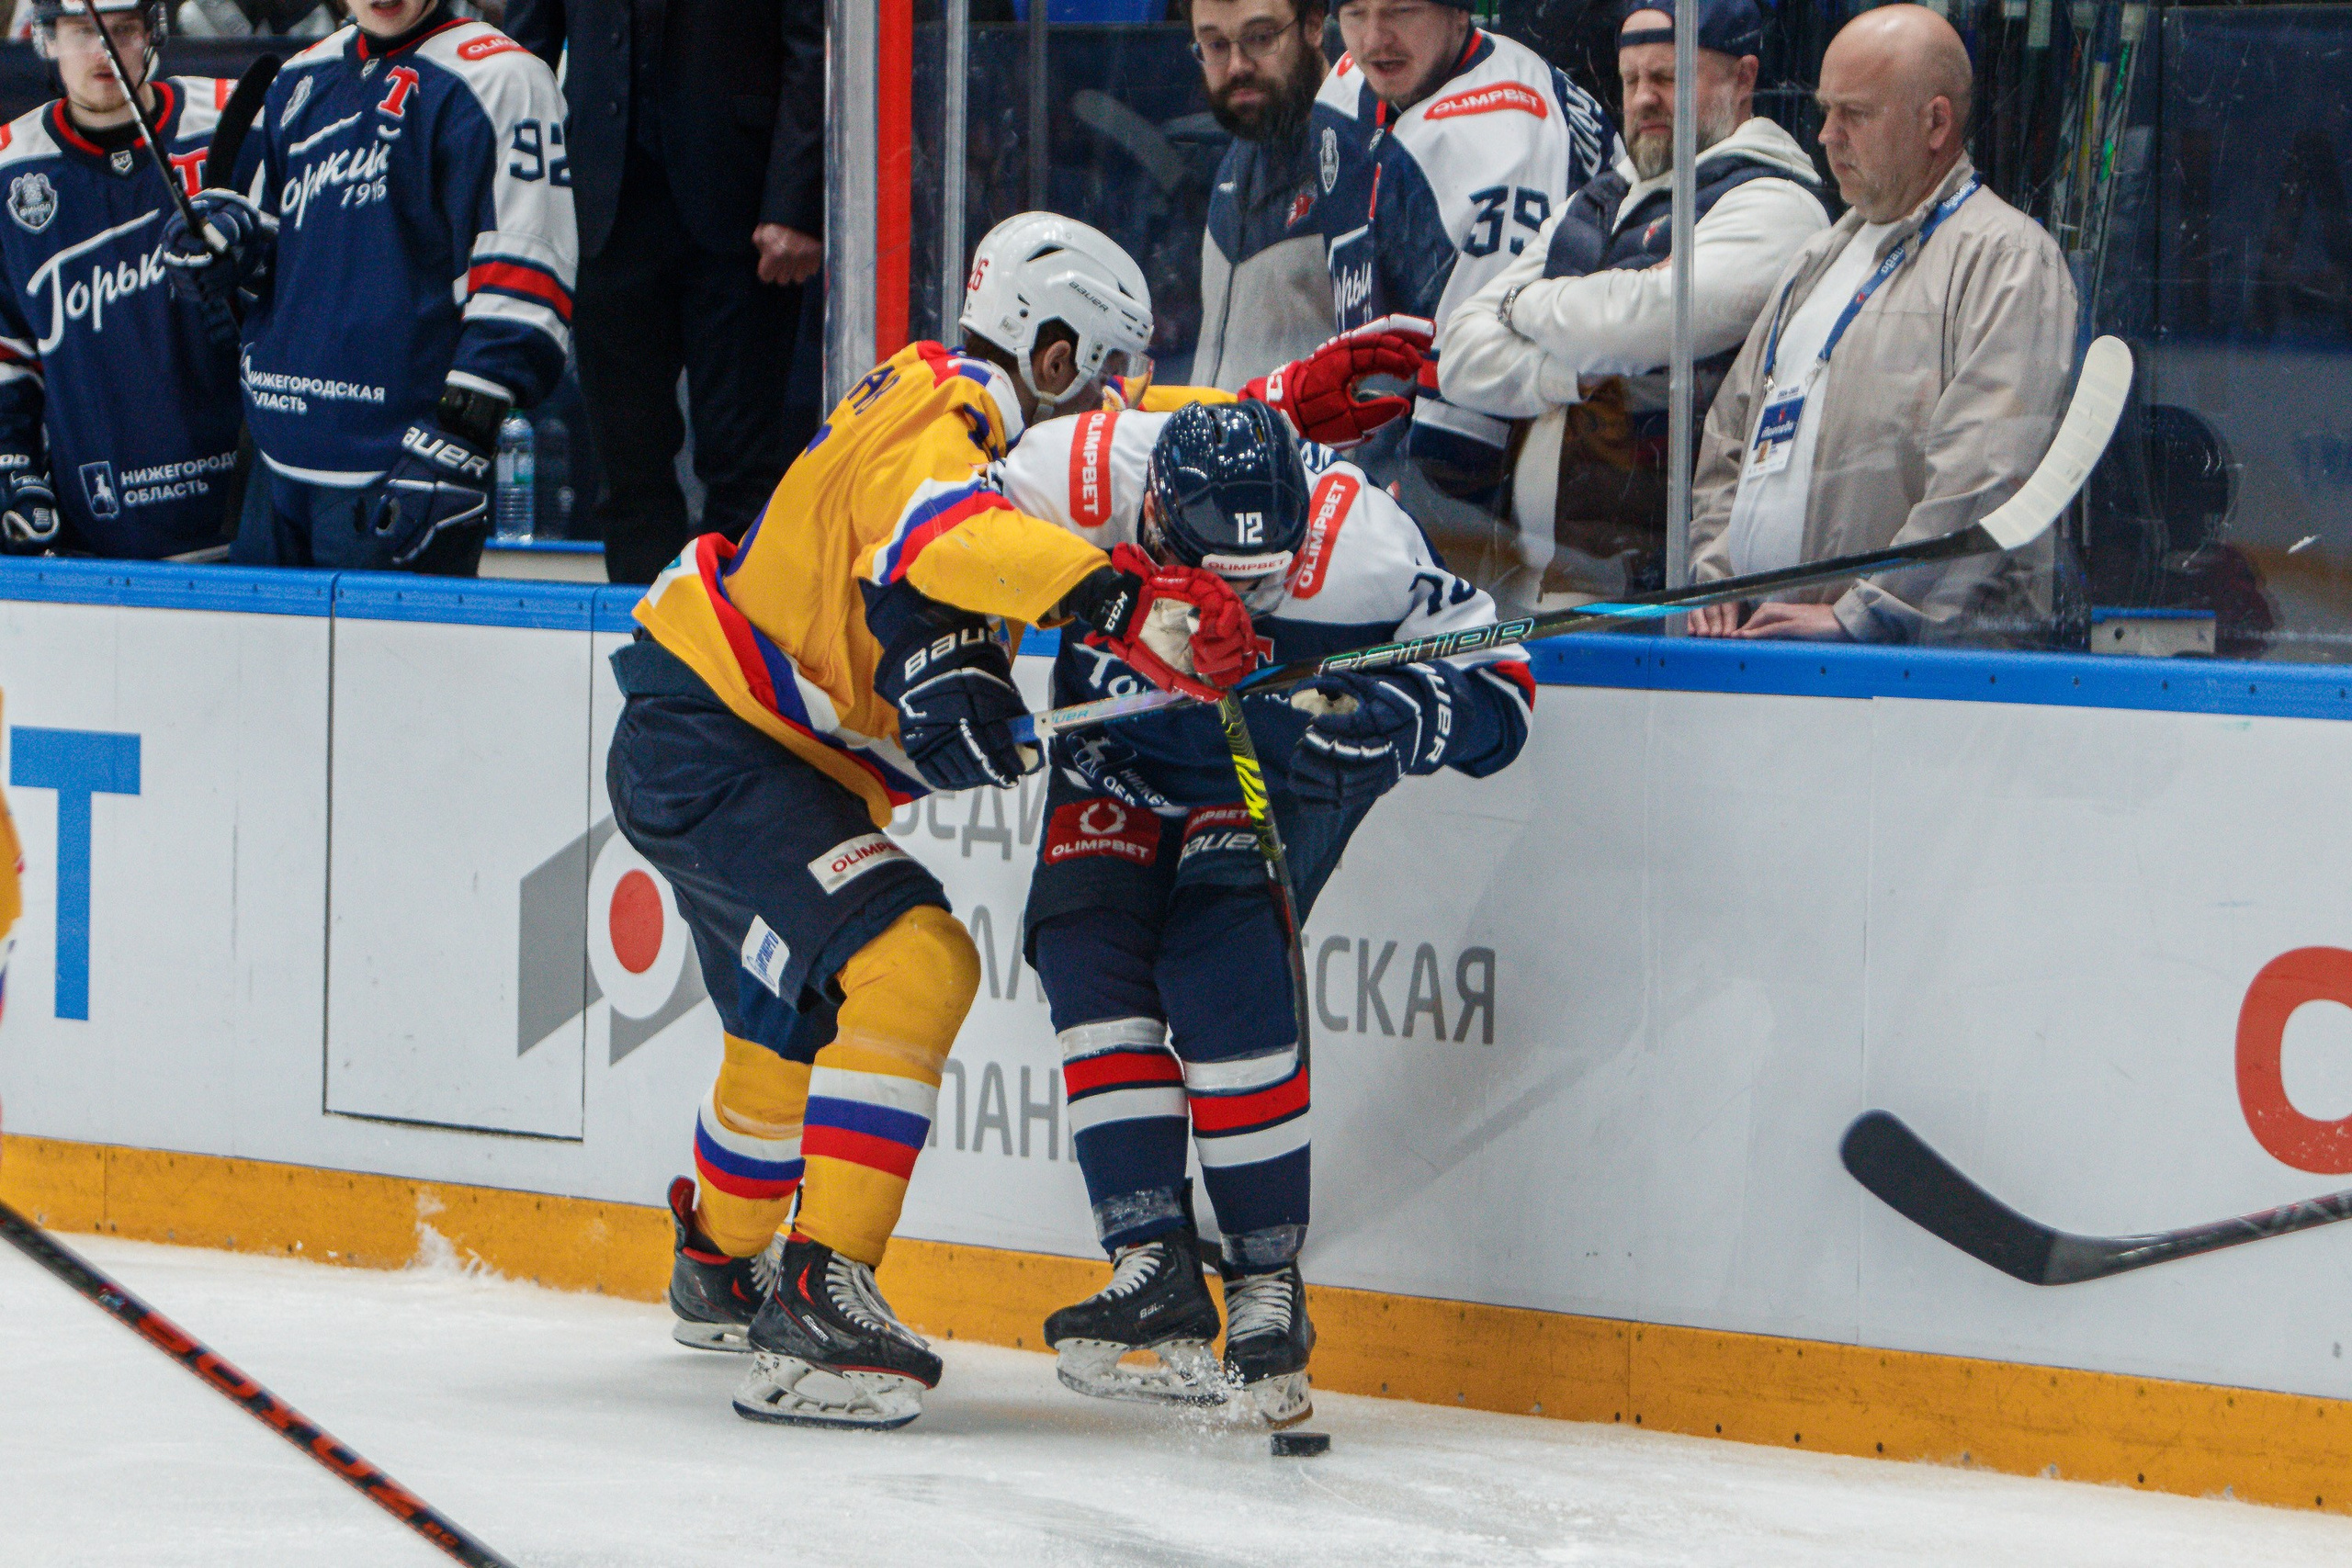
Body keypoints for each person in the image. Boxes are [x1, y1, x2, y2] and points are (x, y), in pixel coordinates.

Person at [618, 212, 1422, 1430]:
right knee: (914, 964)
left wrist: (1278, 410)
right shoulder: (952, 420)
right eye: (1097, 378)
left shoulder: (941, 402)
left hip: (736, 747)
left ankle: (718, 1264)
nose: (1113, 411)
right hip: (726, 747)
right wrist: (1120, 602)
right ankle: (814, 1299)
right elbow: (938, 536)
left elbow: (1111, 451)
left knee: (781, 1042)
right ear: (1052, 357)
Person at [987, 400, 1533, 1424]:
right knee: (1084, 953)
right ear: (1149, 511)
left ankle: (1264, 1286)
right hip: (1114, 763)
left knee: (1220, 975)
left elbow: (1499, 686)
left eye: (1262, 579)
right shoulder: (1074, 472)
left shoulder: (1362, 542)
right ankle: (1151, 1262)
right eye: (1213, 571)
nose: (1235, 595)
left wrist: (1400, 720)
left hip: (1264, 777)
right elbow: (941, 543)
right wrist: (952, 669)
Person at [1687, 4, 2076, 644]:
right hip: (1765, 647)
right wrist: (1716, 579)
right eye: (1825, 110)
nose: (1826, 136)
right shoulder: (1820, 258)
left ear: (1936, 122)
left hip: (1911, 678)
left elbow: (1985, 474)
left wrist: (1867, 614)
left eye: (1855, 114)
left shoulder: (2005, 259)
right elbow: (1730, 434)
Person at [160, 0, 577, 577]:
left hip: (401, 470)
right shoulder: (300, 76)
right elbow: (277, 259)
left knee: (392, 667)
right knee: (265, 668)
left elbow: (528, 269)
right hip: (277, 465)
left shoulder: (502, 76)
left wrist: (459, 435)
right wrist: (225, 250)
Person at [1437, 0, 1826, 601]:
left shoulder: (1776, 201)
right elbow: (1460, 355)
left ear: (1743, 79)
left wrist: (1523, 306)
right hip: (1539, 580)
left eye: (1669, 78)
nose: (1644, 98)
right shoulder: (1600, 199)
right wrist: (1578, 372)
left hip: (1674, 591)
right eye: (1631, 79)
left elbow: (1642, 322)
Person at [504, 0, 823, 586]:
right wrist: (517, 201)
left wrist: (795, 201)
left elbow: (813, 44)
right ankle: (646, 652)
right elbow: (524, 57)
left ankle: (734, 657)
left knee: (743, 466)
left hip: (744, 209)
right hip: (604, 204)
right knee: (626, 472)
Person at [1312, 0, 1611, 503]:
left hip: (1556, 470)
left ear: (1460, 13)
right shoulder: (1346, 90)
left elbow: (1462, 441)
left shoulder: (1504, 138)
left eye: (1401, 11)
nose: (1372, 40)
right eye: (1356, 13)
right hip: (1406, 433)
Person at [0, 0, 243, 559]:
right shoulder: (12, 168)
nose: (105, 50)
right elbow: (8, 351)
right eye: (84, 31)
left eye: (124, 30)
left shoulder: (234, 119)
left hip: (242, 516)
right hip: (99, 534)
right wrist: (13, 467)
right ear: (46, 40)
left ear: (153, 34)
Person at [1189, 0, 1336, 391]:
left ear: (1314, 25)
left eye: (1259, 38)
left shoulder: (1364, 160)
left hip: (1318, 453)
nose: (1237, 66)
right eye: (1216, 45)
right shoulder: (1243, 149)